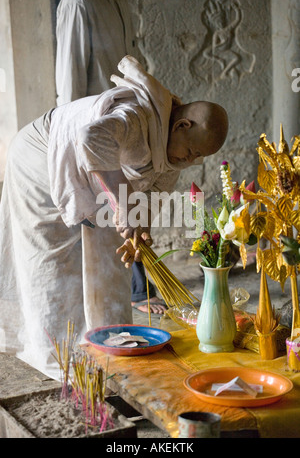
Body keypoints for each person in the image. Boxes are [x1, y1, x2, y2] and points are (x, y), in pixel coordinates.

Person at [0, 56, 228, 379]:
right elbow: (88, 140)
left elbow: (146, 202)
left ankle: (111, 362)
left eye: (198, 158)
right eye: (192, 152)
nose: (190, 161)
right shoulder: (137, 116)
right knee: (53, 269)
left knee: (109, 271)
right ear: (182, 125)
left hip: (91, 179)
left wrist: (140, 231)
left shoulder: (170, 156)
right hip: (37, 160)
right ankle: (59, 370)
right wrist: (123, 207)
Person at [55, 0, 164, 315]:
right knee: (108, 222)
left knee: (132, 212)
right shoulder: (79, 0)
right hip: (95, 132)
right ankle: (132, 294)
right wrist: (77, 153)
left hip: (125, 127)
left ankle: (138, 289)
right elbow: (69, 86)